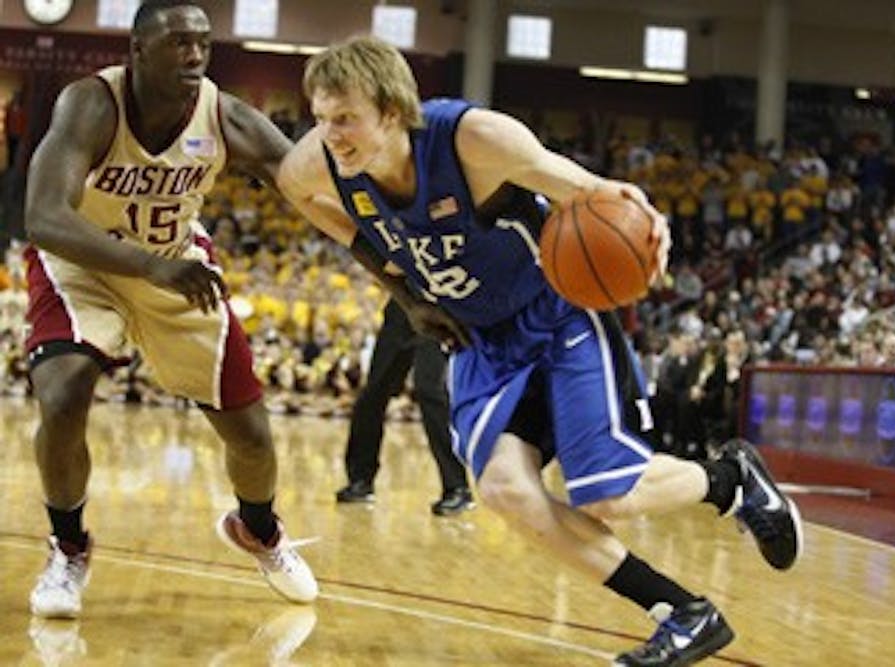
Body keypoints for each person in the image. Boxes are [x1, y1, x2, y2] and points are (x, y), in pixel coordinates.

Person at [279, 36, 802, 666]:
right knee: (506, 489)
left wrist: (646, 221)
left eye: (344, 119)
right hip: (479, 339)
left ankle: (730, 480)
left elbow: (594, 192)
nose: (329, 134)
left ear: (391, 111)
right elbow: (294, 190)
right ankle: (685, 614)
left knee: (607, 494)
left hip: (556, 313)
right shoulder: (321, 163)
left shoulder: (473, 140)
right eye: (320, 119)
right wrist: (399, 285)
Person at [22, 0, 318, 618]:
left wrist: (401, 282)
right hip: (84, 264)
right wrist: (152, 267)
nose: (194, 55)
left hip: (175, 262)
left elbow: (312, 187)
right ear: (137, 51)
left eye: (203, 44)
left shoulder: (226, 116)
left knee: (253, 437)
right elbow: (43, 217)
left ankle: (258, 528)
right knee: (62, 394)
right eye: (178, 43)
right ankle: (68, 547)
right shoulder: (91, 103)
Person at [335, 298, 474, 515]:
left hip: (439, 308)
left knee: (429, 390)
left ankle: (457, 487)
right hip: (403, 305)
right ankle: (361, 481)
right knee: (374, 392)